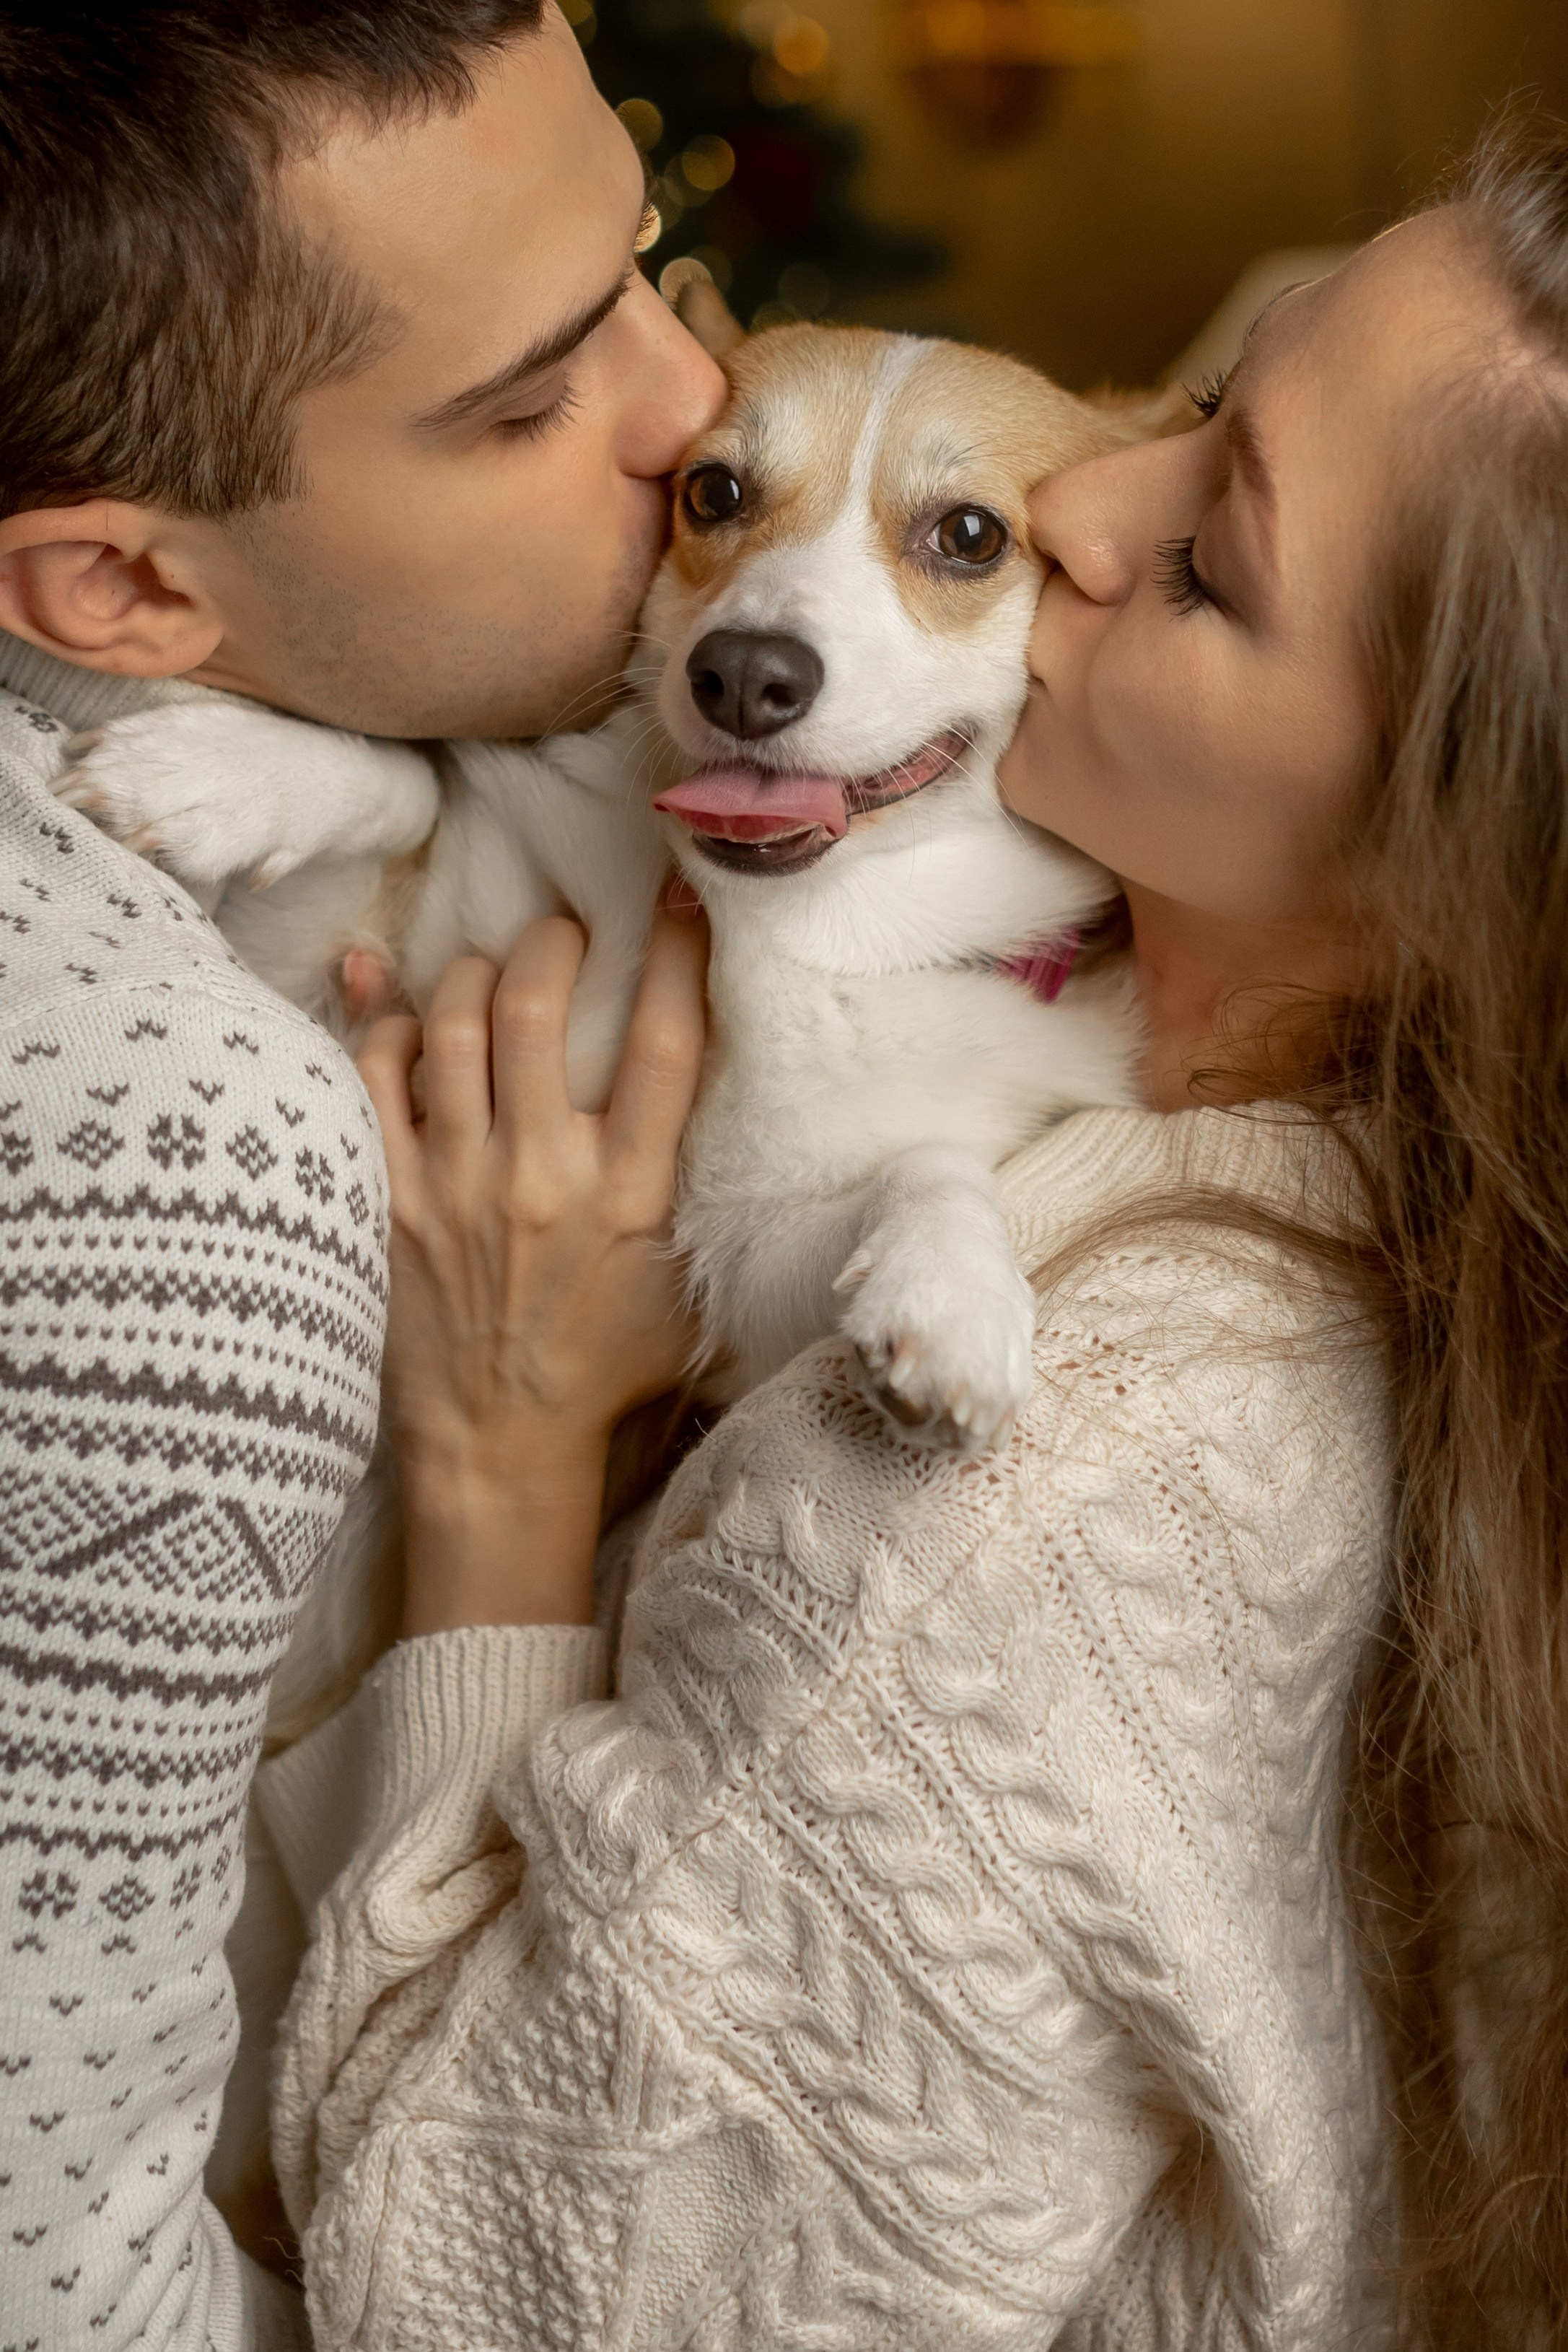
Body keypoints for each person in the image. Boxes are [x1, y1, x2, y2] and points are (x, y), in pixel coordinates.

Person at [252, 122, 1568, 2351]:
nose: (1089, 506)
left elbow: (464, 2294)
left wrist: (501, 1453)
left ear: (1441, 850)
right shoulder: (1238, 1162)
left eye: (1211, 556)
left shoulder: (1046, 1495)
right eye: (1203, 407)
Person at [0, 6, 722, 2348]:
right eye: (525, 403)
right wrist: (504, 1467)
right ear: (120, 594)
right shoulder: (171, 1166)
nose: (698, 402)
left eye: (651, 263)